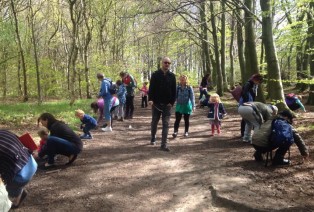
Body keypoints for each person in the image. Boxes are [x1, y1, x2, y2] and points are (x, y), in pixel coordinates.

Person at [0, 130, 37, 209]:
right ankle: (18, 190)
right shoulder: (4, 132)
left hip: (22, 175)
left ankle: (17, 193)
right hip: (31, 162)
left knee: (2, 190)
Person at [148, 57, 176, 151]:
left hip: (167, 105)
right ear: (162, 63)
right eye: (165, 62)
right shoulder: (155, 75)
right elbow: (151, 88)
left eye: (169, 63)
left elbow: (174, 90)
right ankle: (153, 137)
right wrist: (150, 99)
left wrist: (172, 102)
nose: (167, 64)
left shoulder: (172, 76)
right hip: (156, 104)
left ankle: (163, 145)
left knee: (166, 124)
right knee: (154, 122)